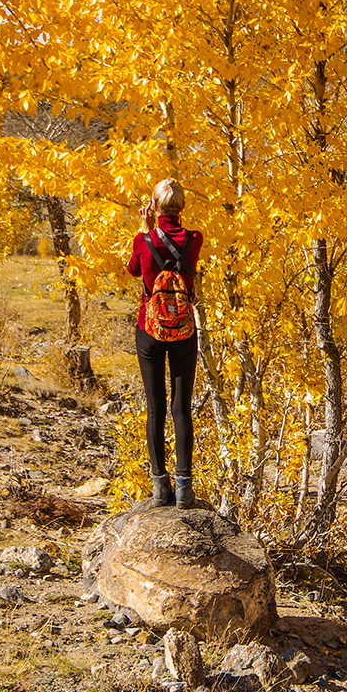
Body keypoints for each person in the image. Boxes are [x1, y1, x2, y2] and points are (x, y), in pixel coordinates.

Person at [127, 178, 203, 508]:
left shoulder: (143, 241)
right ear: (182, 206)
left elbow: (133, 270)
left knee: (156, 407)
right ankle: (184, 486)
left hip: (150, 329)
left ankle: (160, 486)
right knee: (181, 407)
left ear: (154, 206)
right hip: (184, 329)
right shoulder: (195, 239)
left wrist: (145, 231)